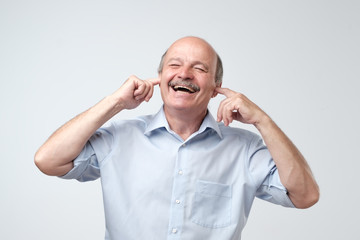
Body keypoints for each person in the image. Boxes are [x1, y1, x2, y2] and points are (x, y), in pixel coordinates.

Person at [35, 36, 319, 240]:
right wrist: (115, 102)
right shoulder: (119, 138)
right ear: (159, 76)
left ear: (216, 86)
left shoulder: (245, 149)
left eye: (200, 68)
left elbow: (306, 195)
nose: (184, 73)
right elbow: (48, 160)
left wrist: (262, 120)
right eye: (175, 65)